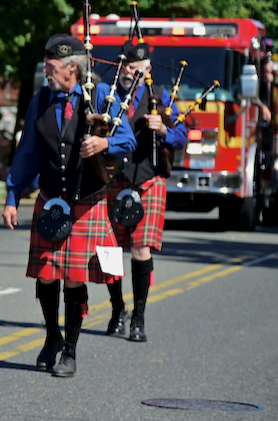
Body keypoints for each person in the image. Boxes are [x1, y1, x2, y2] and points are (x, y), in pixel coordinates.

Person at [2, 34, 136, 377]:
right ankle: (51, 337)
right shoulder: (40, 100)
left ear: (71, 68)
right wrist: (12, 196)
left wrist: (103, 141)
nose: (46, 72)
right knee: (47, 276)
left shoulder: (100, 96)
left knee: (75, 279)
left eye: (51, 67)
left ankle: (71, 352)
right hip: (50, 200)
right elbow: (27, 153)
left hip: (85, 201)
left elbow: (128, 139)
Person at [104, 41, 186, 343]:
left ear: (147, 68)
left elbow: (181, 135)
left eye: (133, 66)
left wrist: (163, 128)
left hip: (148, 180)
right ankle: (117, 309)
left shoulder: (161, 97)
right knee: (109, 252)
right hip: (113, 180)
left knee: (141, 250)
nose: (127, 70)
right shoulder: (107, 94)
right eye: (124, 65)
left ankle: (138, 316)